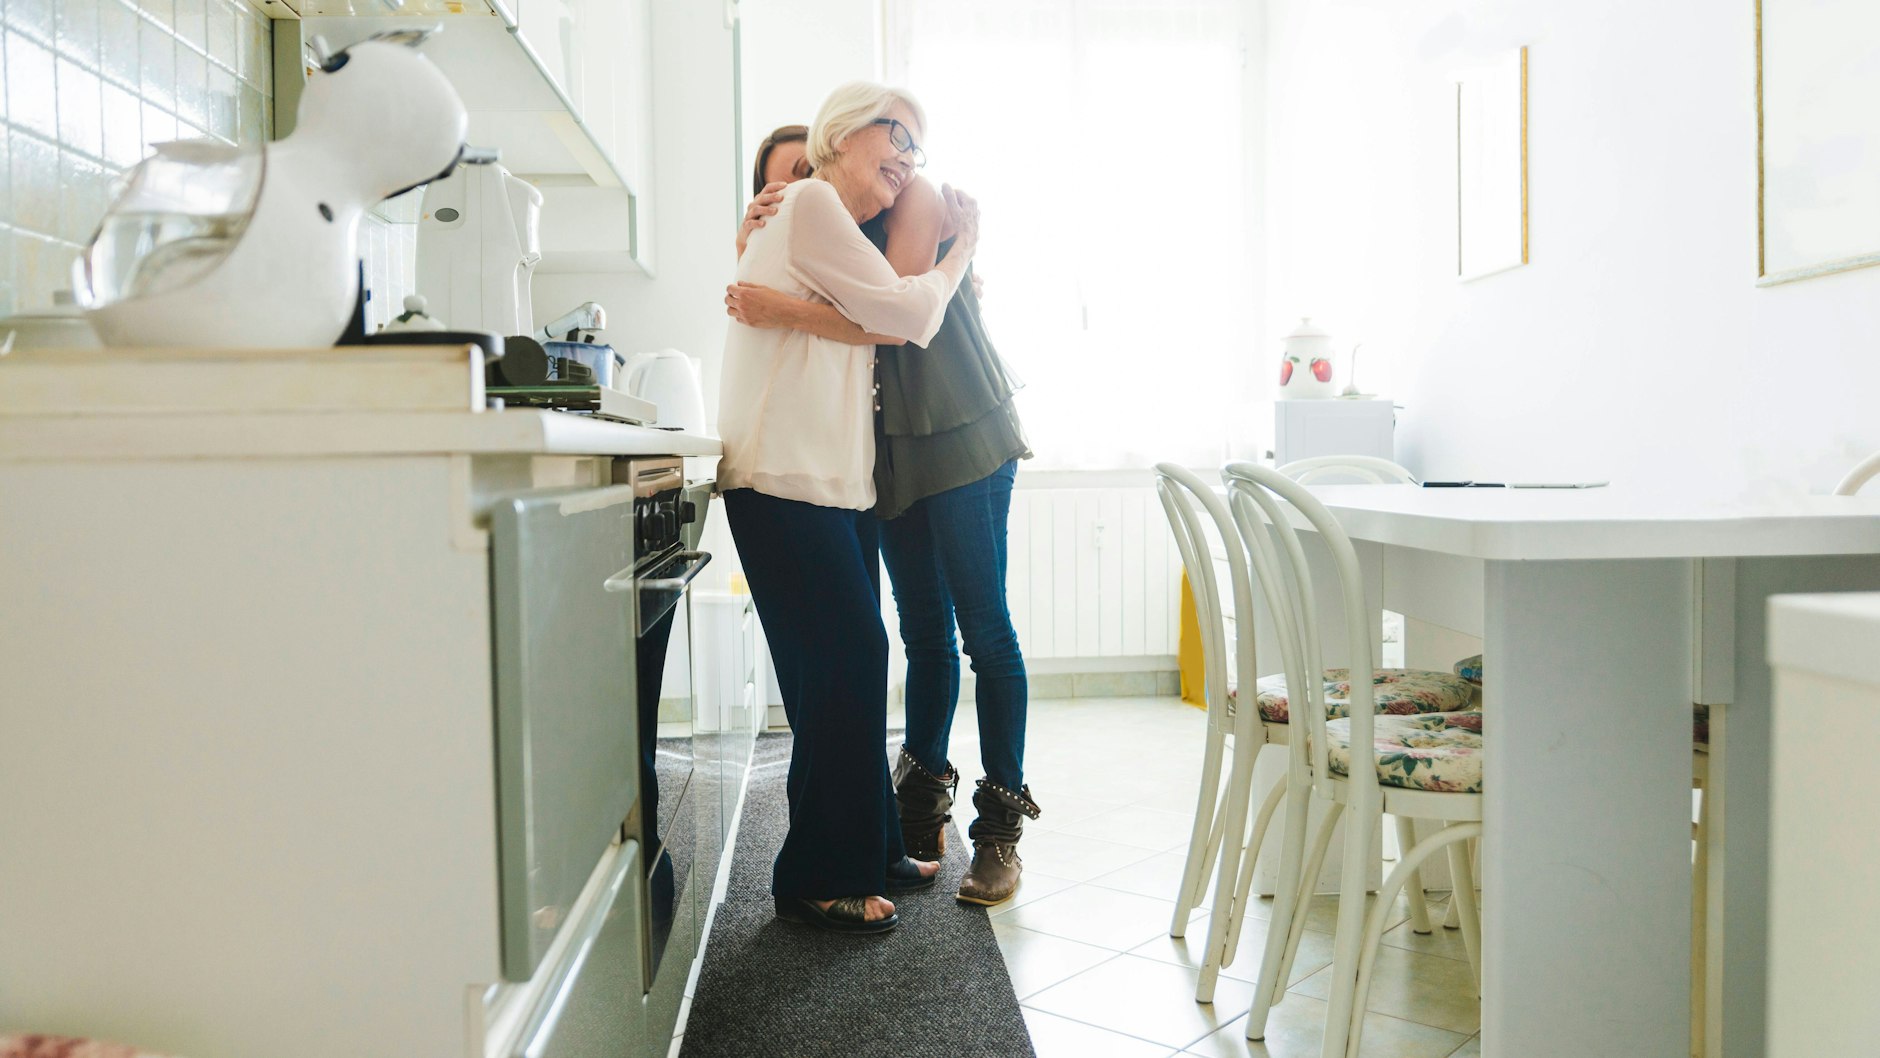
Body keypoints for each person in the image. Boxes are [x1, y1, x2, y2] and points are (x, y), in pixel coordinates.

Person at [726, 116, 1038, 907]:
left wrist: (781, 305)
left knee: (982, 630)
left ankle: (999, 831)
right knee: (918, 636)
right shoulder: (818, 219)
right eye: (774, 183)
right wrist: (752, 241)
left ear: (834, 150)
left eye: (799, 171)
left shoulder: (911, 194)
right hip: (888, 451)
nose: (789, 190)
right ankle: (915, 815)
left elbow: (899, 321)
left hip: (961, 428)